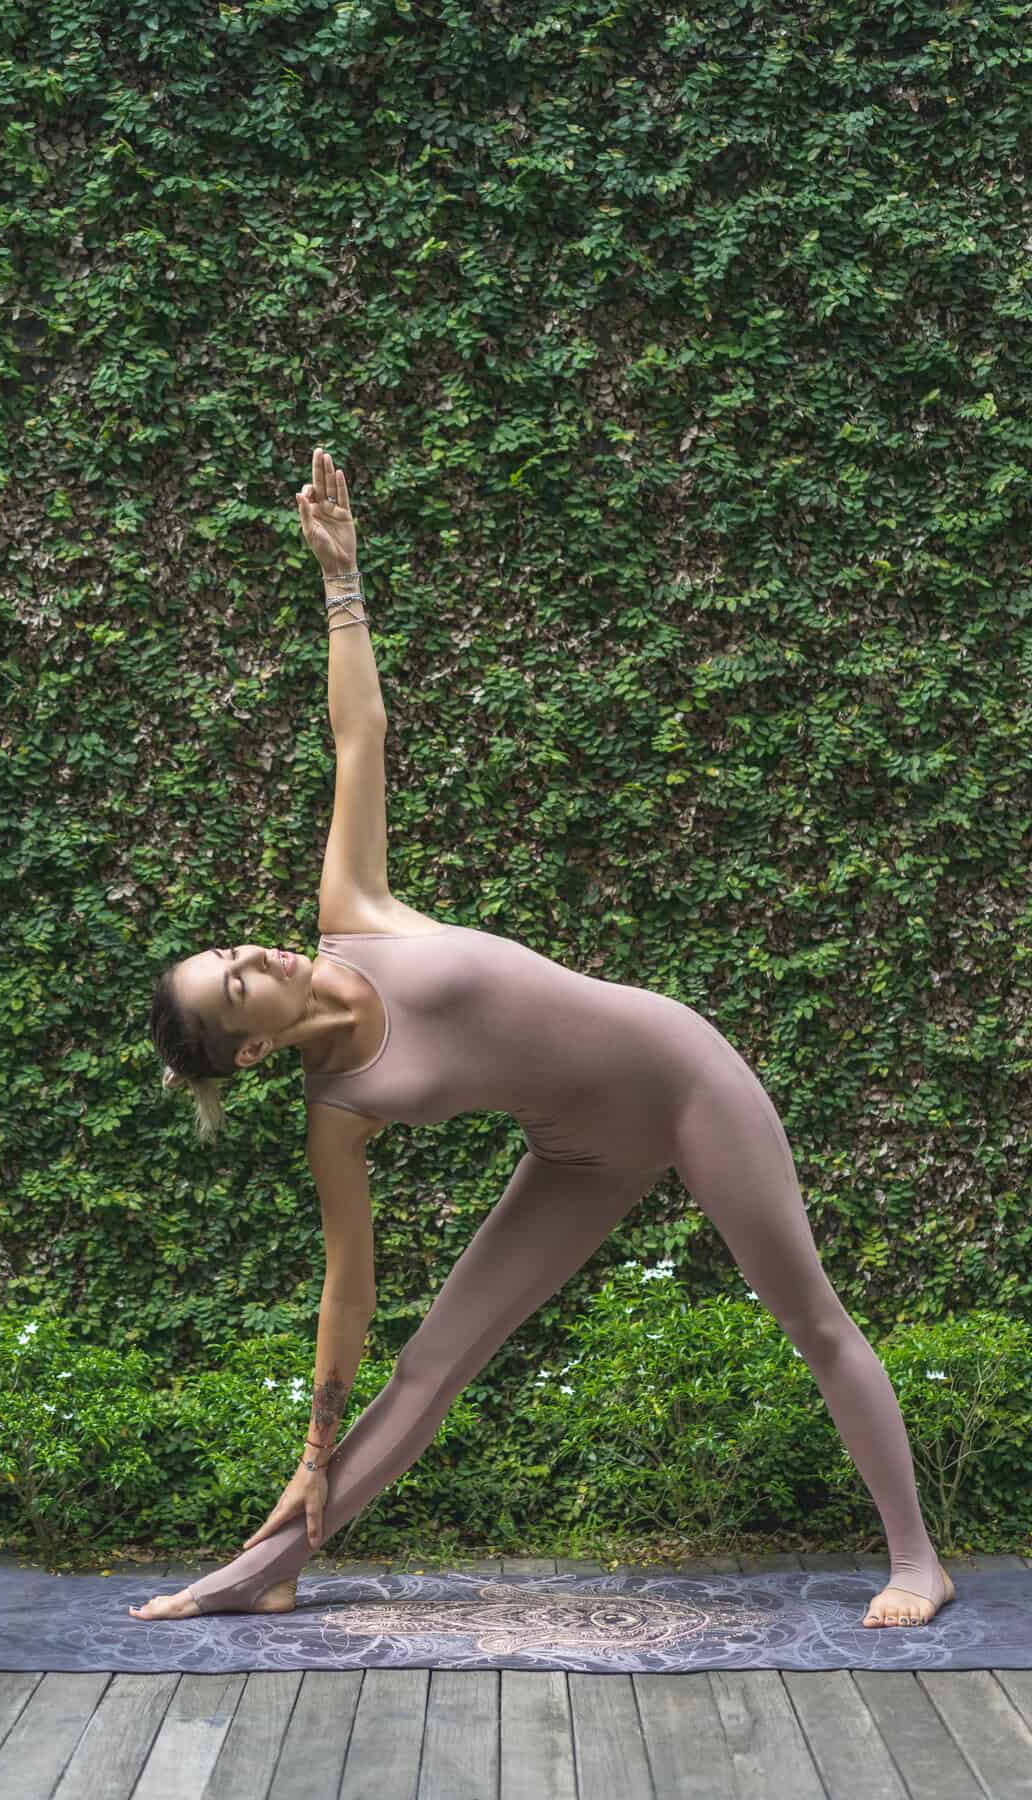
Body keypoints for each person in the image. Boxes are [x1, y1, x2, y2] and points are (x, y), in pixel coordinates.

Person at [132, 448, 954, 1631]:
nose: (253, 956)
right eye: (235, 986)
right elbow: (348, 1292)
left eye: (234, 951)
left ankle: (917, 1558)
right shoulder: (338, 1112)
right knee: (432, 1365)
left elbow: (356, 735)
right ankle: (261, 1570)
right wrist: (313, 1445)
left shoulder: (353, 914)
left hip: (683, 1080)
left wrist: (341, 582)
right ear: (252, 1049)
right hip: (578, 1156)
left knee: (810, 1315)